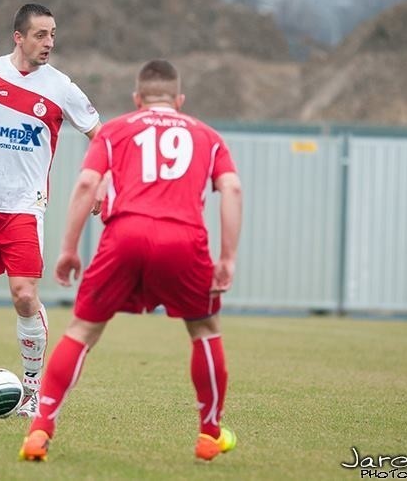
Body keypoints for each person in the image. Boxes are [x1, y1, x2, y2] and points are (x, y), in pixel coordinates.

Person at [18, 59, 243, 461]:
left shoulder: (117, 130)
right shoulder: (208, 136)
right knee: (206, 331)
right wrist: (227, 257)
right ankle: (209, 435)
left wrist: (69, 248)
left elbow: (88, 182)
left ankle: (40, 429)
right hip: (184, 240)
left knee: (83, 331)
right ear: (180, 99)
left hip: (125, 236)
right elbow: (232, 189)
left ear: (137, 99)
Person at [0, 3, 101, 418]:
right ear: (19, 37)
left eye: (53, 35)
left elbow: (101, 136)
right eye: (41, 35)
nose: (49, 43)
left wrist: (103, 181)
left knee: (25, 296)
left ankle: (31, 389)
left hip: (24, 209)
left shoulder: (62, 88)